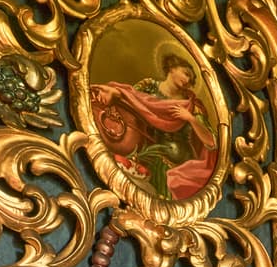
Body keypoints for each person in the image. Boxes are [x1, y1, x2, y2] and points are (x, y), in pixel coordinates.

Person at [88, 44, 214, 202]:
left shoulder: (191, 105)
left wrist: (190, 118)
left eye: (191, 79)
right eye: (186, 73)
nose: (188, 80)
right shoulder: (148, 86)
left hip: (179, 165)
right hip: (147, 154)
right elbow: (130, 99)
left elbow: (210, 141)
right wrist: (115, 92)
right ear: (172, 67)